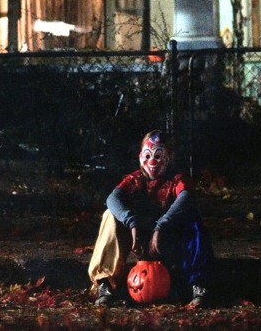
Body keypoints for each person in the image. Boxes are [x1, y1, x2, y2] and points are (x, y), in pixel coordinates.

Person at [88, 130, 214, 308]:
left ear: (169, 157)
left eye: (158, 156)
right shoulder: (135, 180)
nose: (152, 162)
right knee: (110, 214)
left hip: (167, 242)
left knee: (192, 216)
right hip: (138, 241)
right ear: (140, 157)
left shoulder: (177, 179)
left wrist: (161, 226)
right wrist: (132, 223)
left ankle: (199, 284)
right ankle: (105, 284)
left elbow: (186, 197)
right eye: (147, 156)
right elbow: (113, 198)